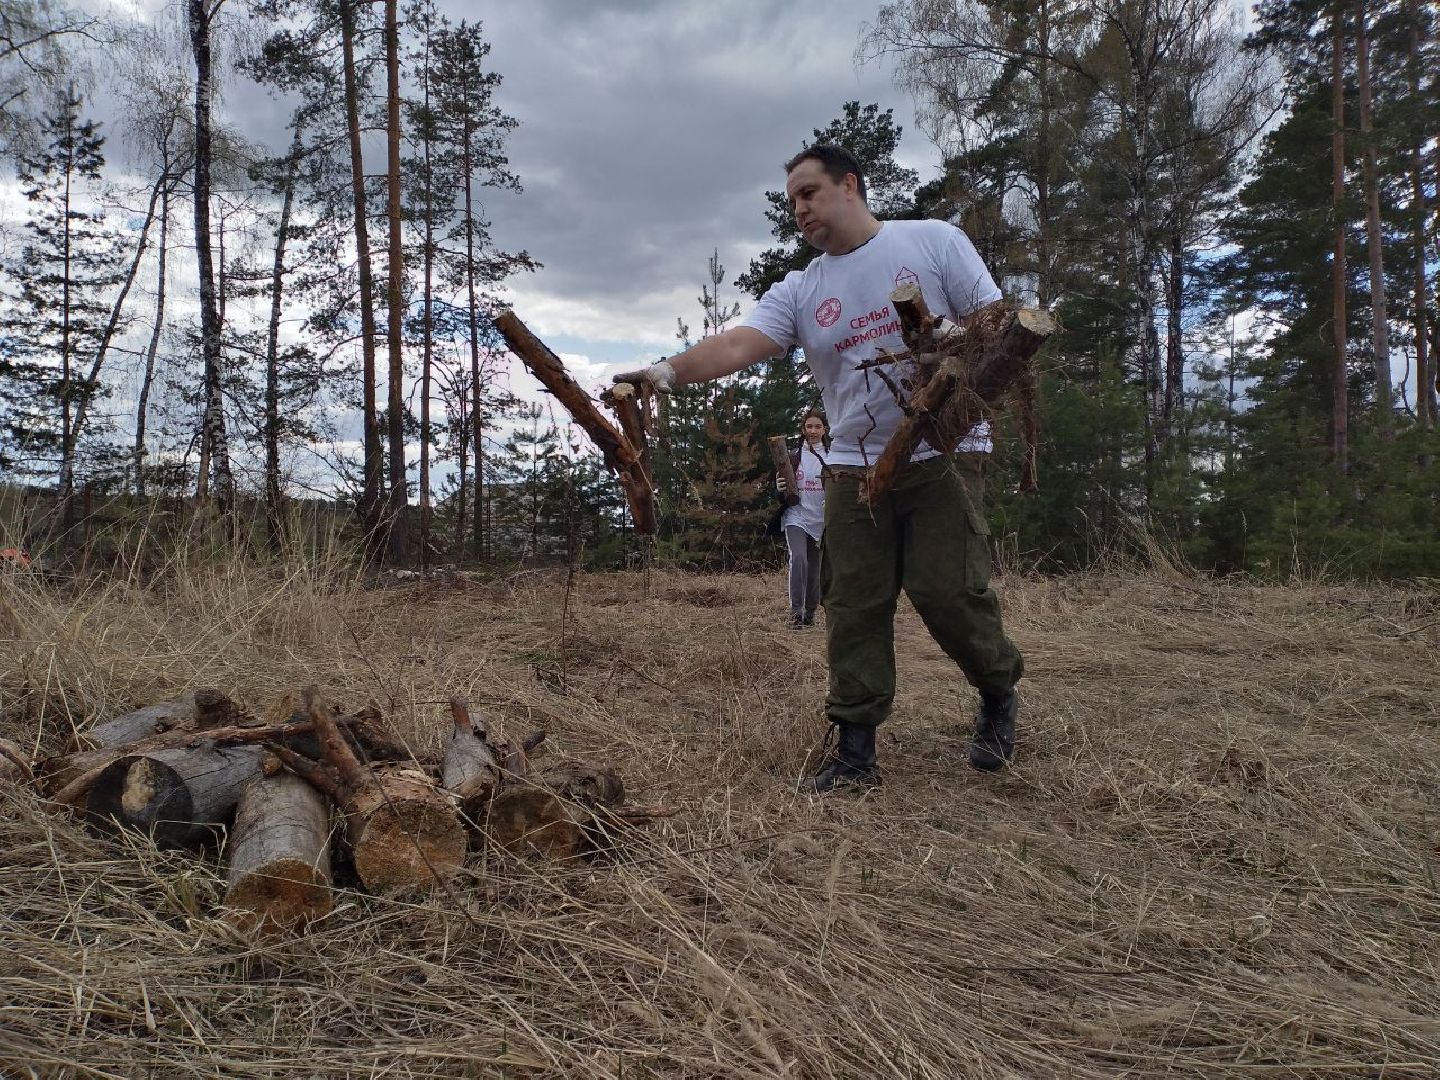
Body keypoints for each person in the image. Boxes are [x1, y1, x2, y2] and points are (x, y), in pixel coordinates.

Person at [614, 144, 1024, 793]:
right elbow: (735, 343)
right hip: (851, 468)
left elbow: (999, 329)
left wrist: (944, 338)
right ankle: (856, 753)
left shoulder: (935, 242)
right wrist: (666, 372)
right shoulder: (804, 289)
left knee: (946, 590)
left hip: (945, 450)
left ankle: (998, 689)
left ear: (850, 186)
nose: (798, 209)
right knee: (852, 602)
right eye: (791, 201)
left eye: (808, 193)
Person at [775, 409, 828, 630]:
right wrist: (778, 488)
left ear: (825, 429)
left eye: (817, 427)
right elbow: (781, 487)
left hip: (820, 521)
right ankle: (796, 613)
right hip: (796, 516)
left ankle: (810, 613)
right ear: (803, 429)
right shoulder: (794, 456)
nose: (813, 431)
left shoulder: (833, 457)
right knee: (799, 559)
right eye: (809, 426)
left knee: (814, 569)